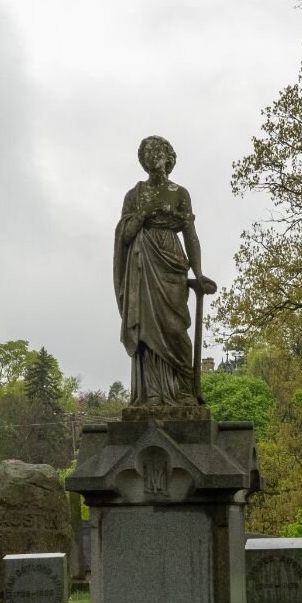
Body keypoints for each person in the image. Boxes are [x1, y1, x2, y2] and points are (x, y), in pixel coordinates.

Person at [113, 136, 216, 406]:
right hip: (143, 264)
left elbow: (190, 235)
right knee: (146, 330)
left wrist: (199, 272)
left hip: (171, 264)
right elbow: (124, 236)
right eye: (146, 154)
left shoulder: (180, 194)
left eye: (156, 151)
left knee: (175, 329)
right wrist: (142, 214)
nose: (151, 157)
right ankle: (151, 395)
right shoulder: (134, 195)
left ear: (168, 156)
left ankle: (184, 392)